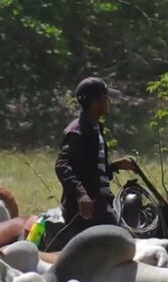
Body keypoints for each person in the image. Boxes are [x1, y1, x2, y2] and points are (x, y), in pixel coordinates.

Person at [55, 77, 138, 232]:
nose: (109, 102)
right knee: (121, 237)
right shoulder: (77, 132)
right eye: (105, 98)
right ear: (95, 103)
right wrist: (81, 195)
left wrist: (115, 166)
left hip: (101, 203)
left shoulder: (95, 128)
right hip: (88, 210)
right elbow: (62, 165)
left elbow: (91, 171)